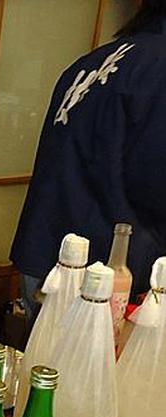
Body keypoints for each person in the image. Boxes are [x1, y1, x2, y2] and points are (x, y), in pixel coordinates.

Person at [11, 0, 166, 319]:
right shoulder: (159, 67)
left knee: (44, 364)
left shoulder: (90, 63)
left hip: (45, 258)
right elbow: (155, 185)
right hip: (109, 279)